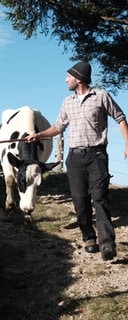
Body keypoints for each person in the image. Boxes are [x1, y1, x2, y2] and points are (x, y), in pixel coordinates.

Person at [25, 61, 128, 261]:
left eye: (68, 76)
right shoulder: (67, 102)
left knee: (99, 197)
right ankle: (89, 237)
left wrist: (127, 142)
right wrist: (39, 135)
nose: (66, 80)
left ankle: (107, 243)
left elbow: (120, 117)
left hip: (97, 156)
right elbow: (58, 127)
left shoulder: (101, 96)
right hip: (75, 158)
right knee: (80, 200)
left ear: (78, 78)